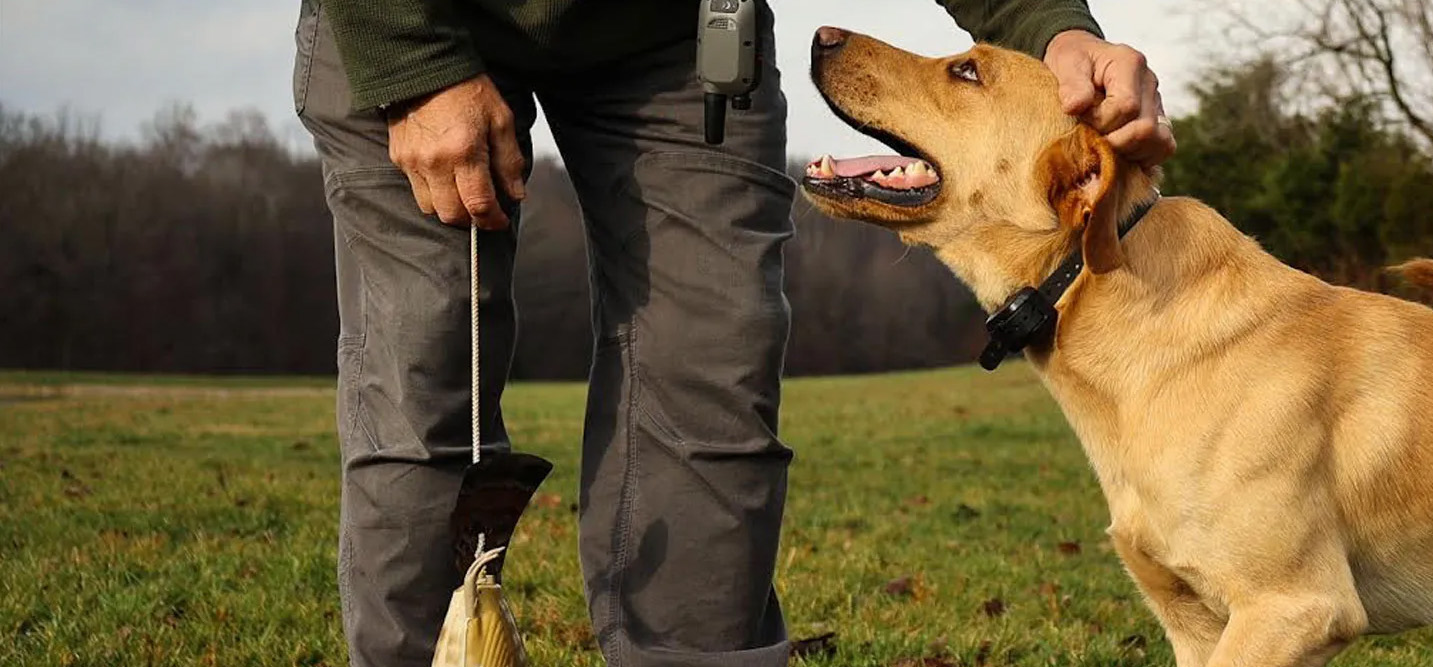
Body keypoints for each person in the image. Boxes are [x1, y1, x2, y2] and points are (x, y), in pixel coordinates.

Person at [292, 1, 1174, 665]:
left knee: (712, 366)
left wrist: (1059, 32)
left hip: (680, 34)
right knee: (425, 372)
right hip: (422, 16)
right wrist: (411, 62)